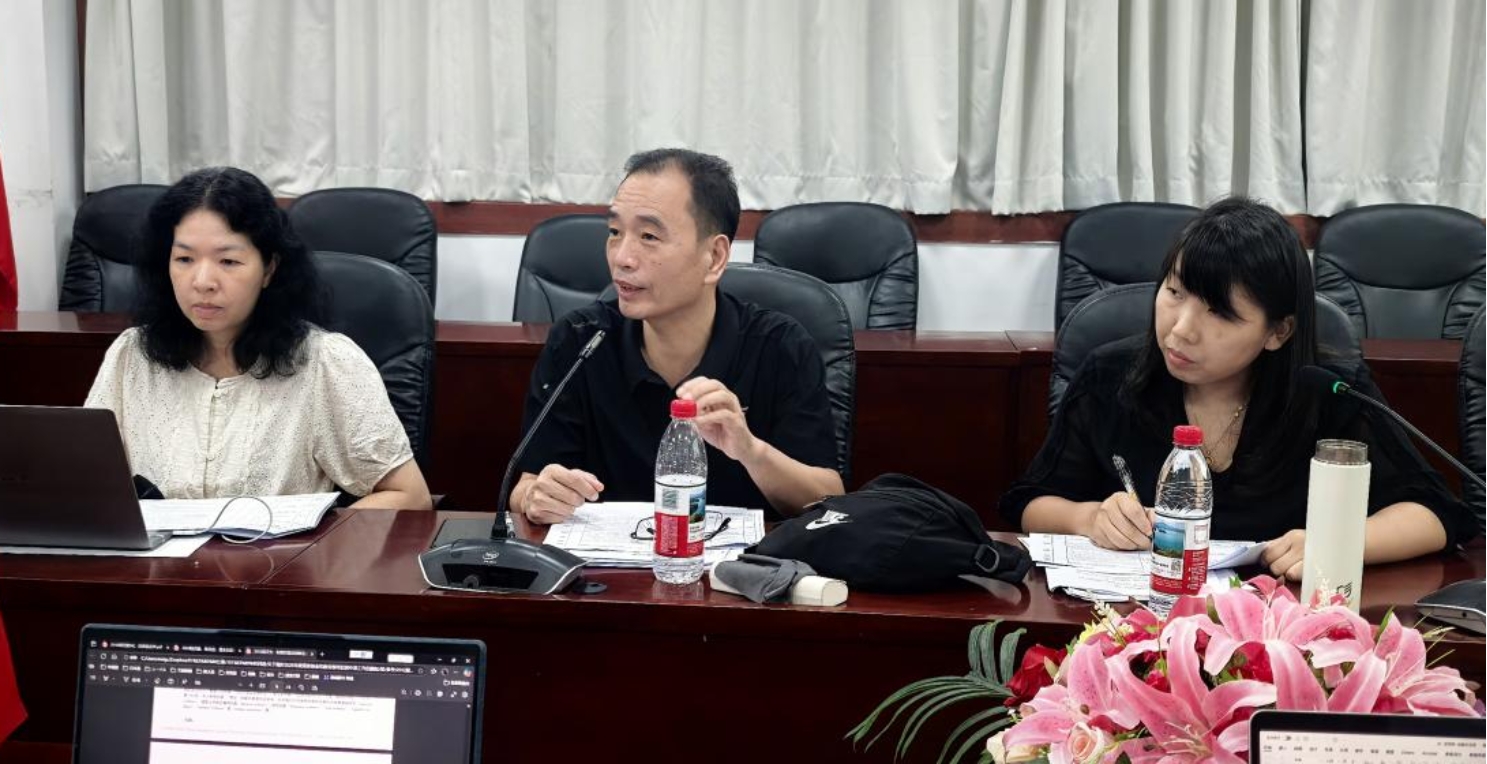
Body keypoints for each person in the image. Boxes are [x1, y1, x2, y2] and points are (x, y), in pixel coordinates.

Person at [1000, 196, 1475, 580]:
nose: (1181, 329)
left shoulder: (1327, 391)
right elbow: (1029, 502)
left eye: (1220, 313)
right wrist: (1087, 519)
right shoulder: (1110, 375)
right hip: (1136, 622)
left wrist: (1339, 543)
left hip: (1284, 629)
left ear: (1278, 332)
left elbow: (1436, 513)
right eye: (1174, 293)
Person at [512, 148, 845, 524]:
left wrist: (750, 451)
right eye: (615, 232)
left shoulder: (781, 347)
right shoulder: (580, 341)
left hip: (743, 561)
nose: (622, 257)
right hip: (602, 561)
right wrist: (536, 496)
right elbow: (526, 485)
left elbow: (830, 500)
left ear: (714, 257)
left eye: (649, 236)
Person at [85, 167, 433, 510]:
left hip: (283, 550)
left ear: (269, 269)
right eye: (184, 259)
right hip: (156, 550)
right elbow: (85, 484)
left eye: (228, 261)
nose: (202, 281)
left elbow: (410, 496)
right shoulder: (132, 355)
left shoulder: (325, 363)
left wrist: (316, 541)